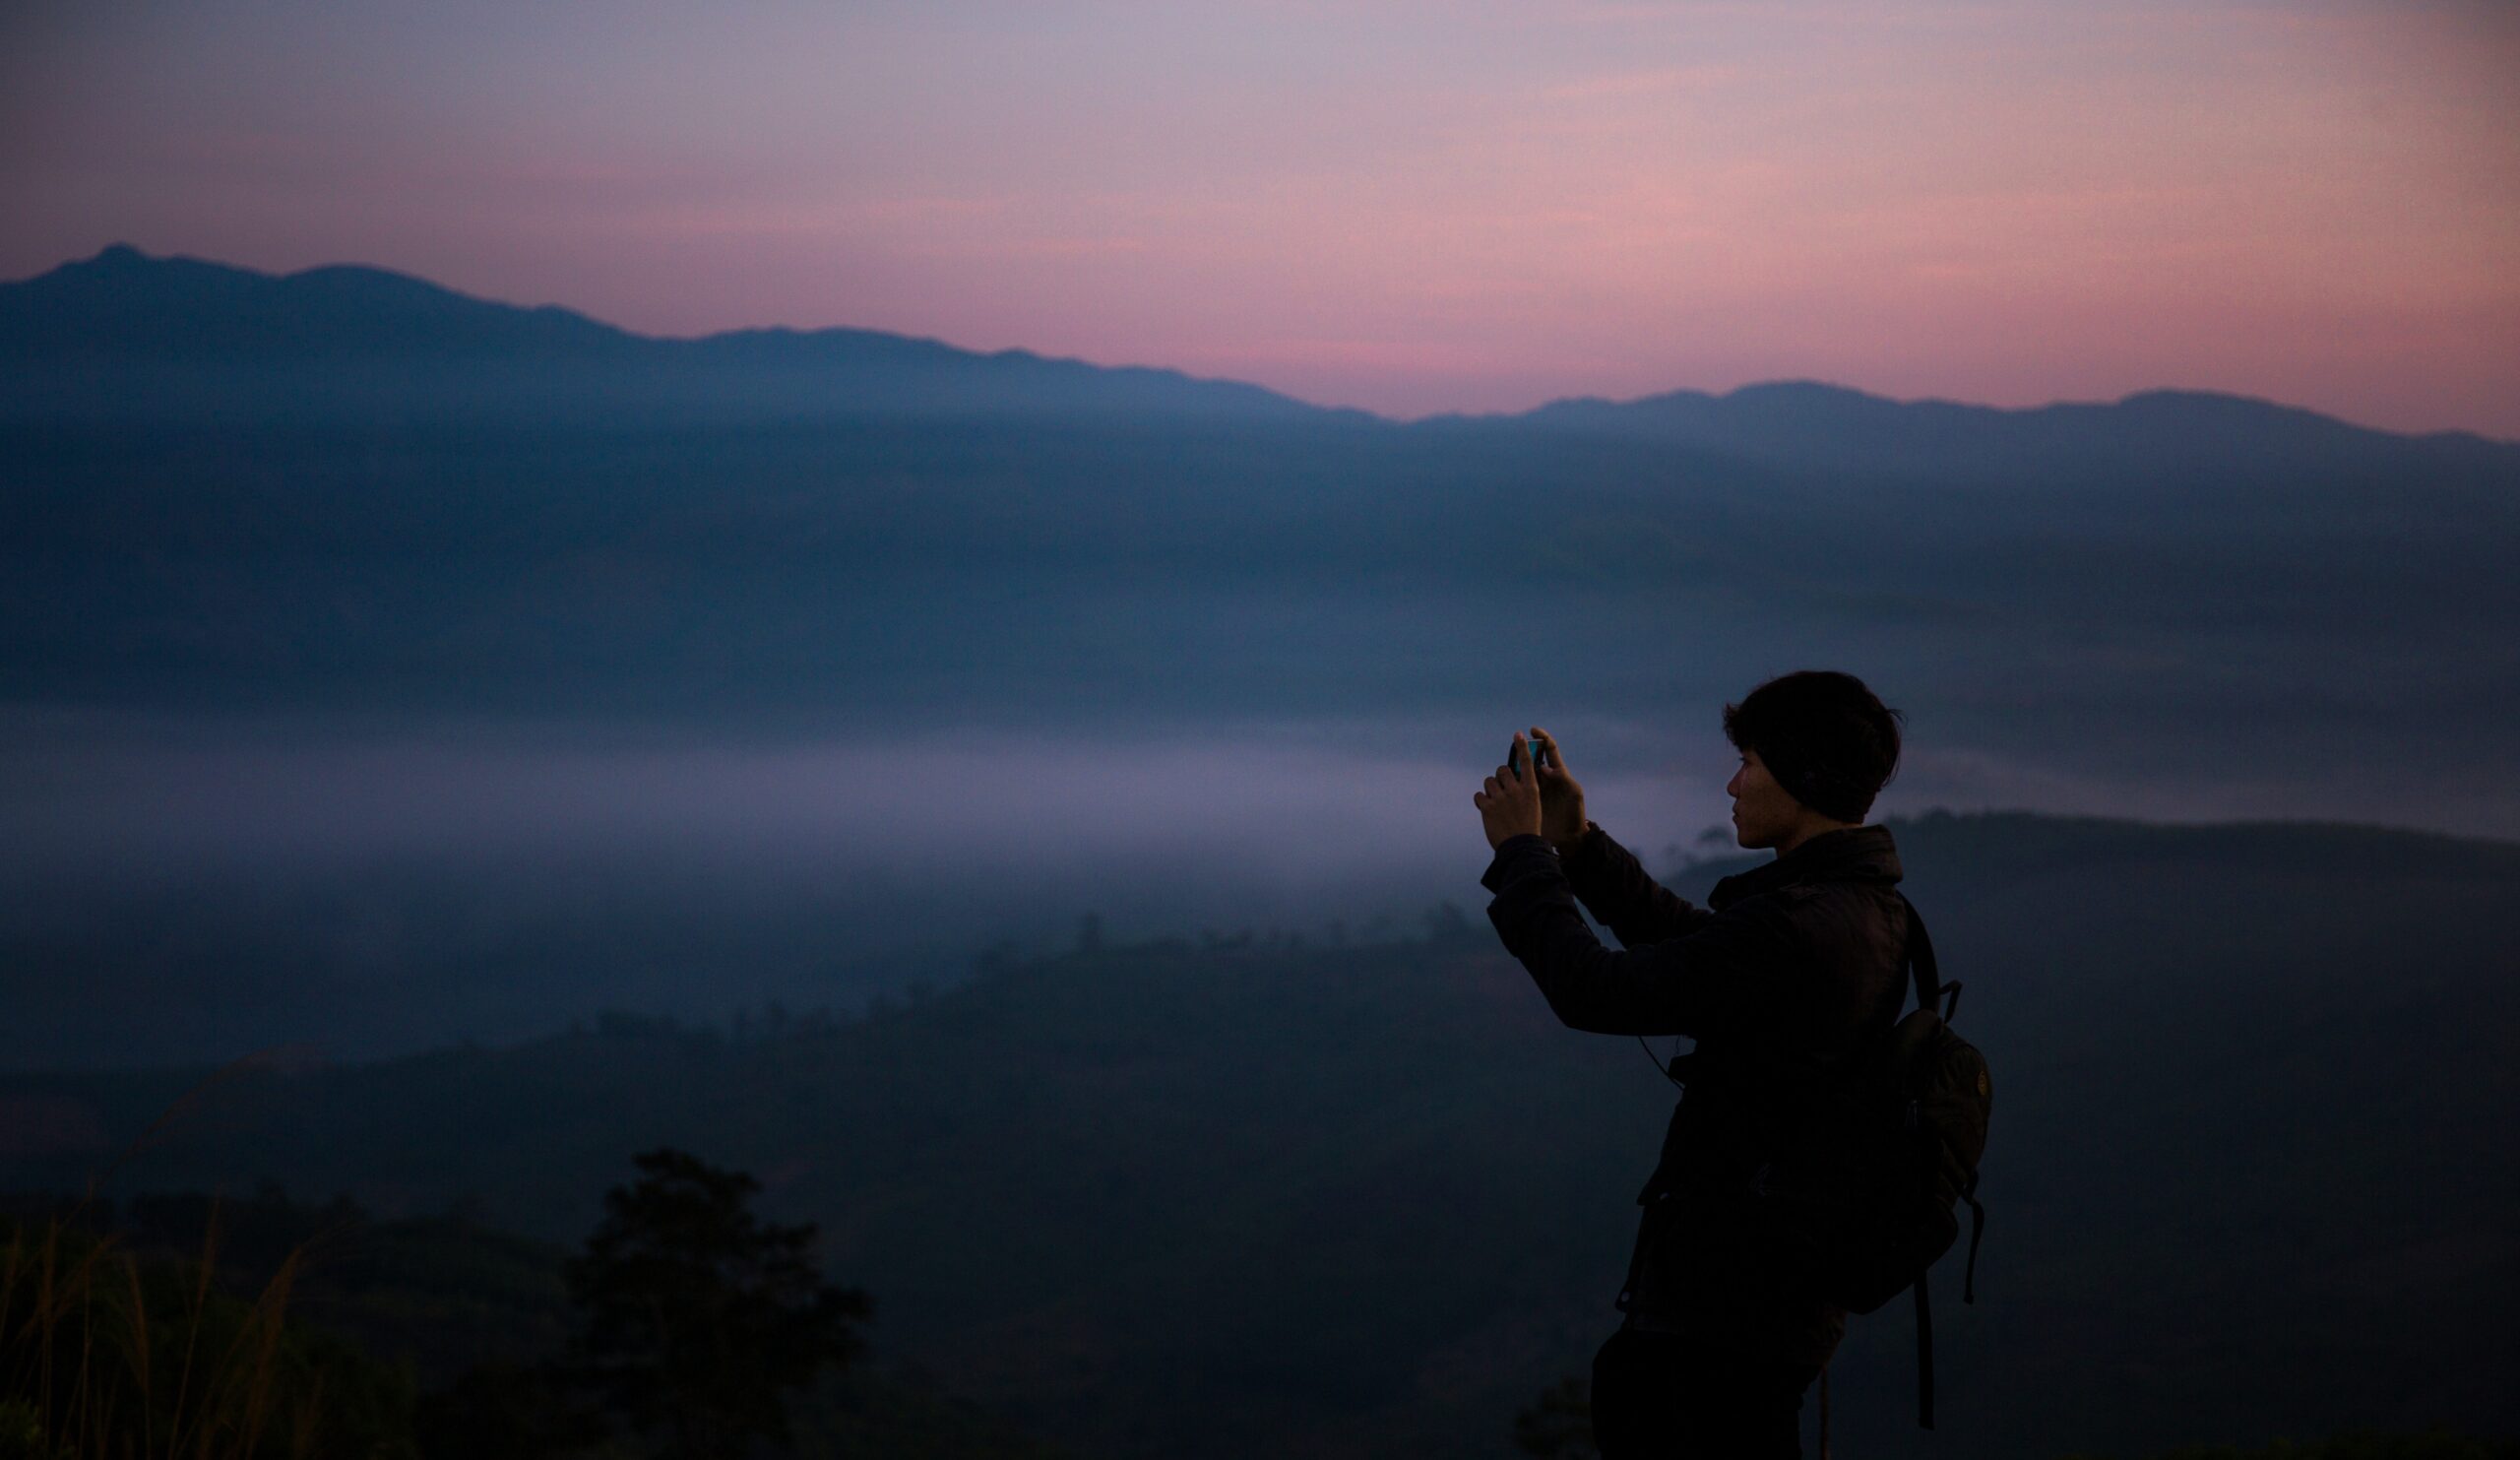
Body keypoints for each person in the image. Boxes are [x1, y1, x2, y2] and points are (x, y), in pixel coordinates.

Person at [1472, 669, 1910, 1459]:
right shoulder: (1863, 907)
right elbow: (1701, 953)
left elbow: (1593, 990)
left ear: (1803, 776)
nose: (1732, 782)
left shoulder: (1800, 928)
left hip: (1719, 1325)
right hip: (1766, 1316)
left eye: (1749, 761)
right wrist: (1577, 845)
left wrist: (1523, 857)